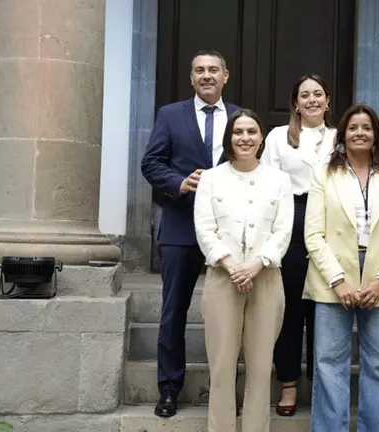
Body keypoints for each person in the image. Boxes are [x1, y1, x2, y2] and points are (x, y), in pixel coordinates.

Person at [140, 49, 240, 417]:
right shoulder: (170, 115)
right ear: (191, 78)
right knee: (173, 310)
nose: (207, 76)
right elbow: (150, 163)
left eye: (214, 70)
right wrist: (179, 182)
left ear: (225, 76)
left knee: (232, 311)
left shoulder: (240, 118)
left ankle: (227, 388)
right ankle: (169, 387)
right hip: (181, 225)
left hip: (230, 230)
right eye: (199, 70)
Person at [303, 103, 379, 432]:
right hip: (332, 276)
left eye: (366, 128)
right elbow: (313, 233)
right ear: (343, 134)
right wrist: (339, 281)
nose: (360, 133)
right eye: (353, 128)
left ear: (376, 135)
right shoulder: (324, 173)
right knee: (329, 364)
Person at [194, 109, 293, 432]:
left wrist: (255, 264)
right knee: (222, 367)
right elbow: (205, 229)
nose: (245, 138)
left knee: (262, 367)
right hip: (223, 279)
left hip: (265, 279)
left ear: (261, 137)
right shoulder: (211, 178)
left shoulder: (279, 180)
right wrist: (232, 265)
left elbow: (283, 230)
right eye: (238, 132)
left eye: (252, 131)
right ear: (229, 138)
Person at [260, 74, 336, 416]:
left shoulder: (340, 137)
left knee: (324, 311)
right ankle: (288, 384)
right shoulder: (278, 137)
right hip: (290, 221)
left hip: (333, 227)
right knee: (290, 311)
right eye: (304, 95)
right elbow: (267, 186)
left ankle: (322, 384)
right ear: (295, 102)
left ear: (327, 101)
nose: (311, 100)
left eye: (318, 94)